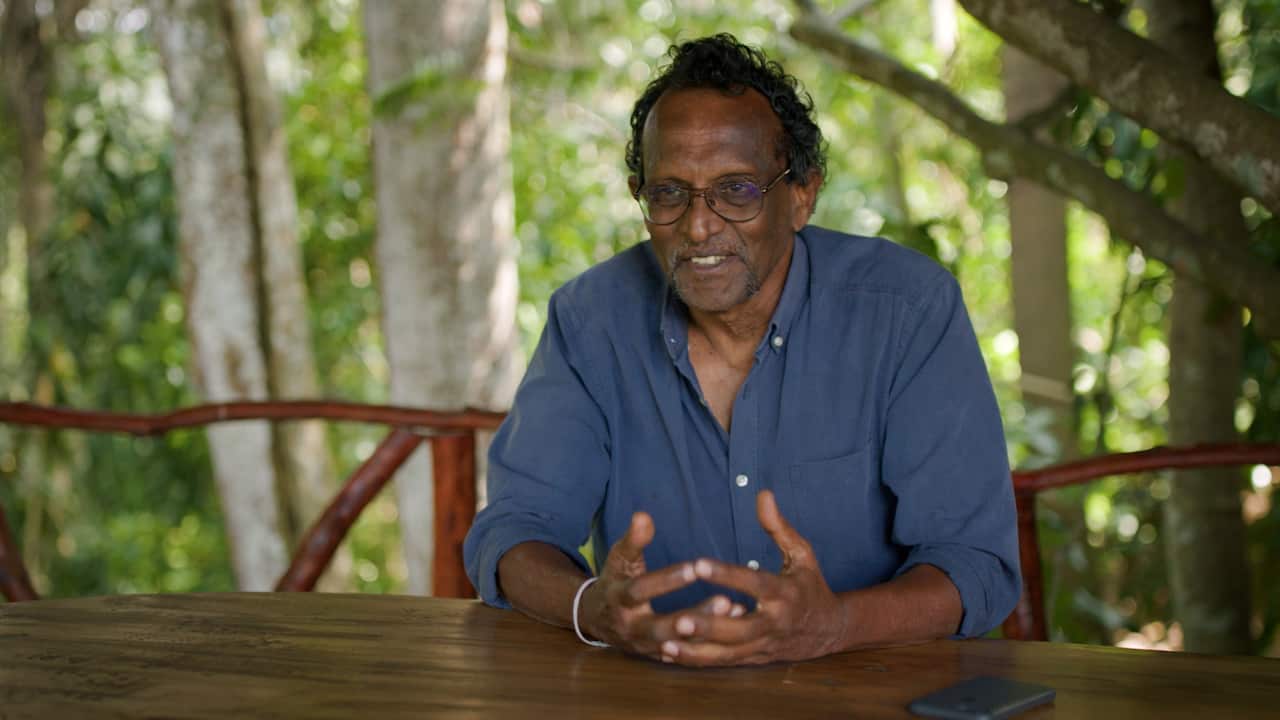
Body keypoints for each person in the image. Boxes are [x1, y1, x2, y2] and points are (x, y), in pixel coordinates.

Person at [463, 33, 1020, 667]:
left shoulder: (906, 312)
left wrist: (833, 624)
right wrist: (594, 608)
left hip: (872, 692)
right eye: (670, 193)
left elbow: (974, 564)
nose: (699, 226)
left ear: (802, 194)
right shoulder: (591, 321)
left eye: (736, 191)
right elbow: (513, 532)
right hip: (652, 699)